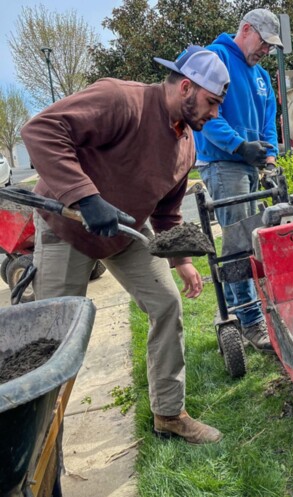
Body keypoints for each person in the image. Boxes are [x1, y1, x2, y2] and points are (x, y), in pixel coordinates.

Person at [20, 46, 230, 444]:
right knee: (55, 341)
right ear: (186, 86)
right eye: (212, 102)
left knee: (167, 304)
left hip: (126, 233)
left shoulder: (187, 144)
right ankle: (39, 446)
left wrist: (181, 259)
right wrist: (85, 196)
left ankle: (169, 413)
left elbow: (168, 212)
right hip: (69, 228)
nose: (215, 113)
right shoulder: (122, 99)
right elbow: (40, 130)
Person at [194, 9, 283, 353]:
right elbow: (204, 115)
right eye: (263, 43)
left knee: (253, 236)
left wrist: (270, 159)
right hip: (223, 163)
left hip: (249, 165)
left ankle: (246, 305)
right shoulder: (215, 58)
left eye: (270, 47)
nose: (266, 51)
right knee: (238, 241)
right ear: (246, 30)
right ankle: (249, 320)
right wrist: (238, 145)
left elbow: (269, 122)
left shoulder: (260, 76)